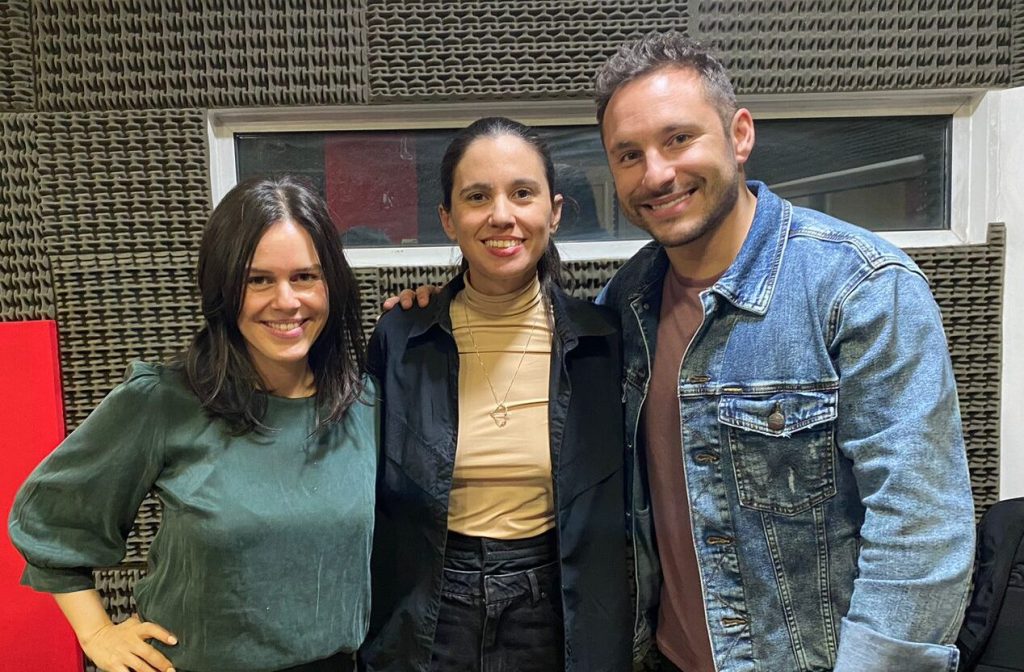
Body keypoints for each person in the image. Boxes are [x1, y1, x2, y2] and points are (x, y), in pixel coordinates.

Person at [388, 32, 975, 672]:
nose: (657, 173)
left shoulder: (858, 288)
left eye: (678, 139)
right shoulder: (626, 305)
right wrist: (429, 309)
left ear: (740, 135)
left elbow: (921, 532)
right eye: (629, 154)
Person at [8, 176, 378, 672]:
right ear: (224, 288)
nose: (286, 300)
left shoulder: (365, 404)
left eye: (305, 277)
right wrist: (97, 633)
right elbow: (49, 520)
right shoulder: (163, 402)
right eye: (258, 280)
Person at [360, 117, 631, 672]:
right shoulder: (402, 338)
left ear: (554, 211)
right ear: (448, 218)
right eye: (477, 196)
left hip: (556, 603)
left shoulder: (603, 344)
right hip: (426, 601)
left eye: (522, 193)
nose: (501, 215)